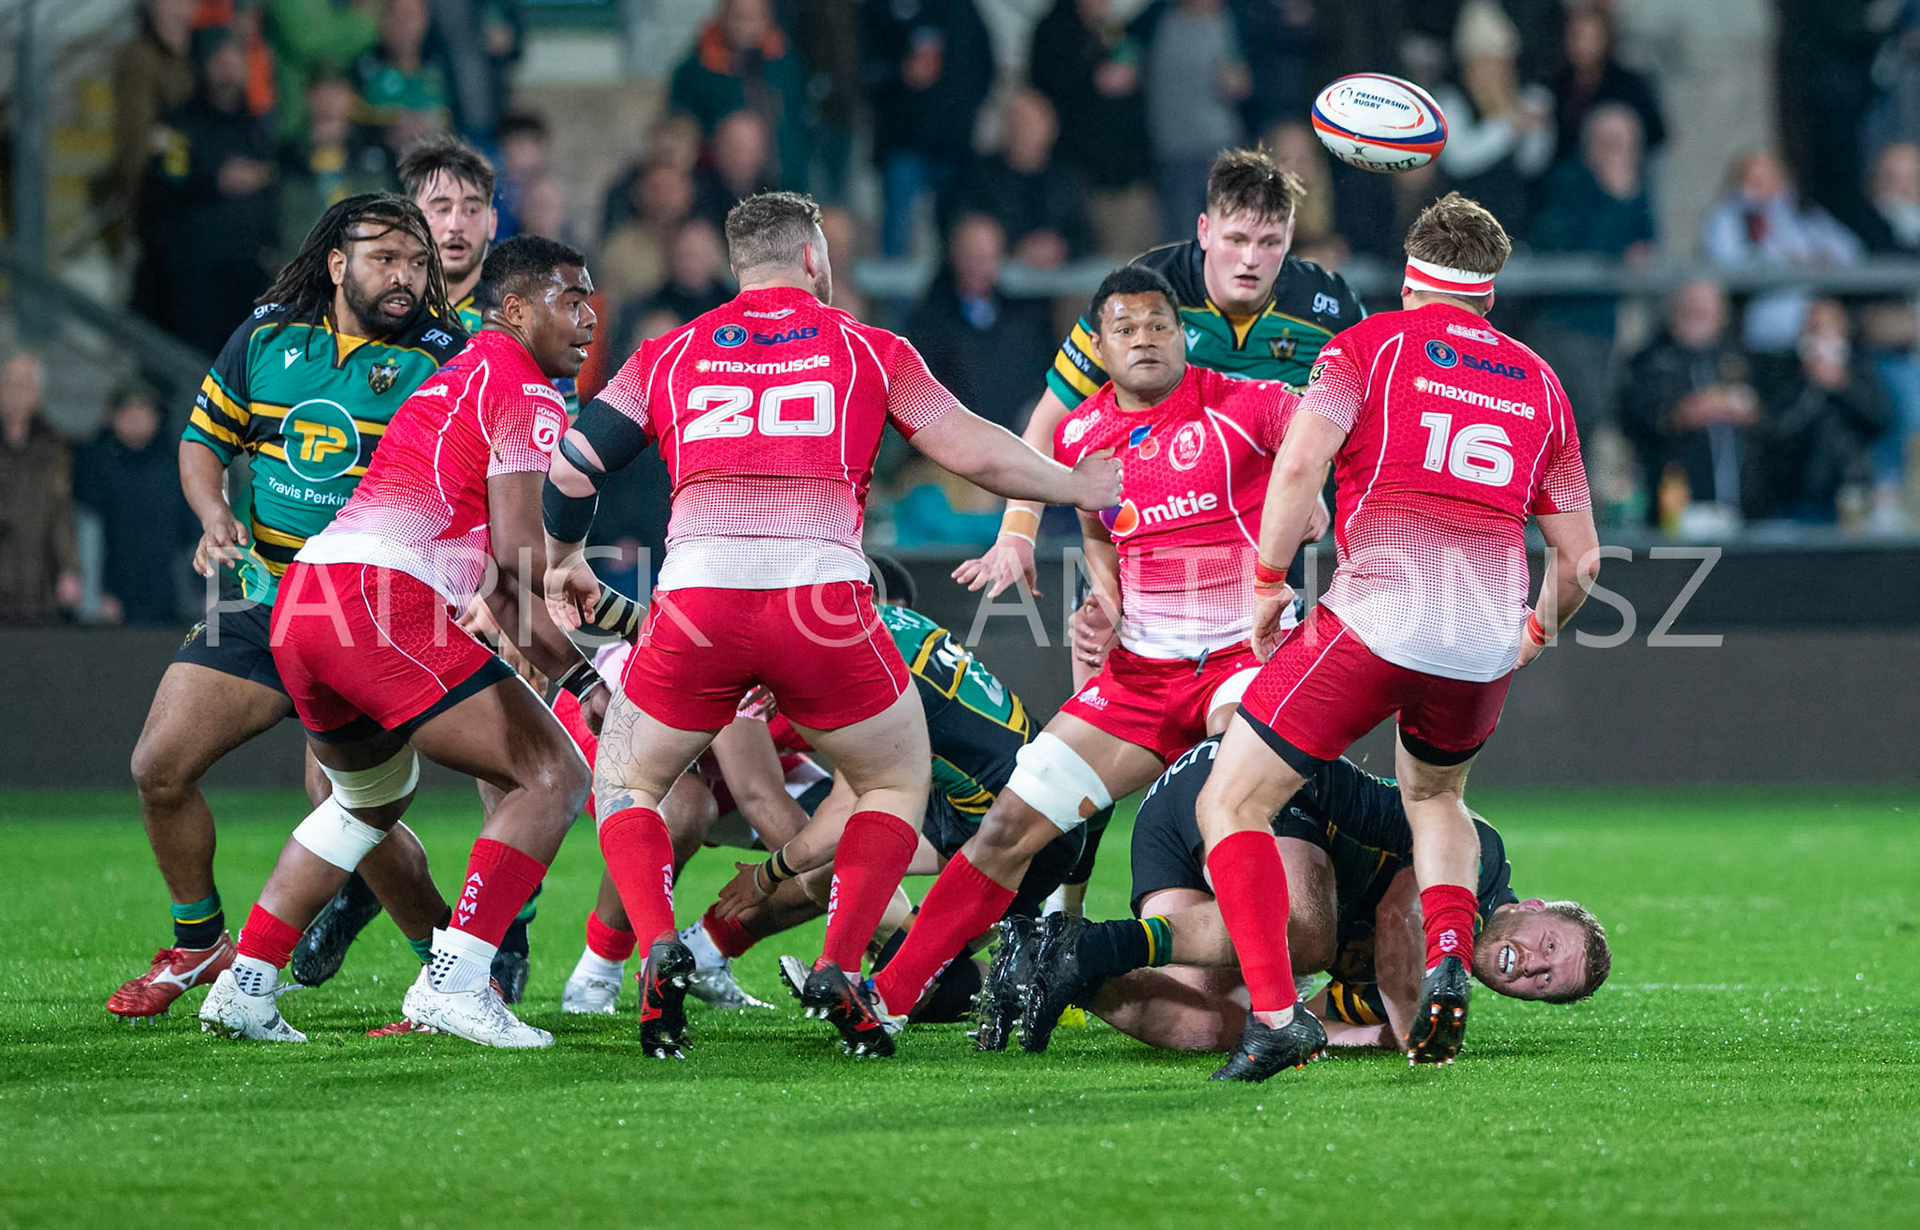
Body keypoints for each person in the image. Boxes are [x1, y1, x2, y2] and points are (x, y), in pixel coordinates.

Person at [540, 190, 1121, 1059]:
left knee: (628, 782)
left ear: (738, 265)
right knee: (892, 783)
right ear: (813, 257)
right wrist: (1074, 485)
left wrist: (564, 559)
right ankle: (843, 966)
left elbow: (572, 469)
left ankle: (658, 947)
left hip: (697, 600)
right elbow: (970, 447)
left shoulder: (667, 353)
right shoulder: (868, 347)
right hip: (820, 603)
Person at [1191, 192, 1600, 1081]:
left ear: (1412, 282)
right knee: (1437, 800)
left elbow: (1299, 463)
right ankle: (1450, 950)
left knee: (1231, 802)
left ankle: (1275, 1018)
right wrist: (1534, 629)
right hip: (1482, 637)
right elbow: (1582, 561)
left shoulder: (1368, 345)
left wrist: (1267, 582)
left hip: (1378, 617)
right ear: (1488, 296)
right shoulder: (1542, 382)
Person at [867, 264, 1317, 1042]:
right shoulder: (1080, 438)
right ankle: (887, 999)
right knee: (1007, 826)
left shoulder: (1250, 404)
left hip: (1242, 662)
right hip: (1140, 679)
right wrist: (1106, 599)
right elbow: (1099, 532)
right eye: (1125, 328)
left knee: (1238, 807)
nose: (1144, 339)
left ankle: (1283, 1007)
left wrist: (1313, 502)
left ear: (1184, 337)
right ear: (1098, 348)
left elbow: (1327, 437)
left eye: (1159, 325)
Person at [198, 235, 600, 1046]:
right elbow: (523, 555)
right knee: (553, 774)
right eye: (572, 300)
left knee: (366, 801)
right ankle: (455, 983)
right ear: (515, 310)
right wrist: (621, 630)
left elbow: (497, 581)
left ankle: (245, 987)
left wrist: (580, 677)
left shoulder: (452, 377)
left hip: (307, 600)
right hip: (376, 601)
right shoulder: (528, 389)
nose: (589, 319)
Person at [955, 148, 1360, 907]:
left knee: (1258, 765)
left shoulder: (1329, 307)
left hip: (1255, 566)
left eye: (1270, 242)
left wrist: (1325, 497)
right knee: (1092, 734)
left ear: (1290, 238)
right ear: (1204, 232)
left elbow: (1355, 432)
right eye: (1236, 240)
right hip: (1138, 551)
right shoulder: (1148, 295)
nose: (1251, 259)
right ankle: (1062, 912)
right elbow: (1048, 426)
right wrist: (1017, 531)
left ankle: (1256, 917)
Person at [106, 195, 466, 1022]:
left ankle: (448, 973)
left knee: (349, 808)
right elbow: (203, 442)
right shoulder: (268, 337)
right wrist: (214, 514)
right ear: (338, 264)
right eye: (386, 259)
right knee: (158, 767)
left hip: (367, 615)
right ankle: (200, 944)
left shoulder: (445, 359)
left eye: (417, 263)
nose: (406, 277)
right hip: (266, 596)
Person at [1000, 737, 1612, 1055]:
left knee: (1214, 1023)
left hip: (1169, 833)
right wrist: (1413, 1033)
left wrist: (1377, 1037)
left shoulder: (1409, 989)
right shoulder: (1479, 858)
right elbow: (1401, 916)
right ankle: (1099, 944)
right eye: (1549, 946)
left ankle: (1048, 963)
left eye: (1543, 981)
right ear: (1532, 907)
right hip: (1256, 785)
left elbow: (1316, 1022)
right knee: (1305, 936)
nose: (1532, 965)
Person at [691, 558, 1082, 1039]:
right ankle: (862, 965)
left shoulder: (864, 673)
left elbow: (842, 812)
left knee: (908, 985)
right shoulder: (885, 622)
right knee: (838, 871)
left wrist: (767, 876)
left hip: (1020, 832)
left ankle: (1056, 982)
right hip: (986, 803)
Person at [139, 25, 280, 356]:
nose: (228, 69)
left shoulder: (259, 129)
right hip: (193, 278)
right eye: (219, 60)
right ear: (203, 66)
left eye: (235, 60)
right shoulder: (180, 124)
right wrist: (214, 179)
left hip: (248, 275)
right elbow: (164, 184)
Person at [1617, 280, 1764, 525]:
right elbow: (1634, 418)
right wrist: (1683, 413)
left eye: (1707, 308)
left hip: (1746, 512)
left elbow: (1773, 419)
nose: (1699, 313)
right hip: (1673, 510)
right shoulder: (1651, 360)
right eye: (1691, 306)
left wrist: (1748, 409)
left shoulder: (1743, 357)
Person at [862, 0, 995, 256]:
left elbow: (983, 68)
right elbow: (864, 66)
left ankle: (948, 283)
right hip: (901, 141)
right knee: (898, 231)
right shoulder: (881, 8)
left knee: (955, 230)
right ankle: (894, 284)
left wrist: (962, 112)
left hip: (953, 143)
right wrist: (900, 72)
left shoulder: (962, 9)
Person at [905, 213, 1056, 433]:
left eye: (986, 258)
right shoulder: (929, 321)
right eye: (971, 257)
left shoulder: (1023, 319)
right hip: (952, 439)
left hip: (1016, 438)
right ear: (954, 255)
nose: (978, 267)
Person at [1703, 150, 1861, 355]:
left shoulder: (1801, 213)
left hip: (1811, 314)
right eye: (1754, 180)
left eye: (1770, 179)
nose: (1764, 188)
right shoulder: (1728, 218)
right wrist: (1785, 260)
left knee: (1831, 319)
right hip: (1757, 315)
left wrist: (1821, 256)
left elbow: (1850, 250)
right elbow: (1727, 262)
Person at [72, 383, 196, 626]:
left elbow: (189, 536)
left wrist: (193, 594)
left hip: (167, 598)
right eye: (128, 411)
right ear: (112, 416)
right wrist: (95, 595)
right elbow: (87, 535)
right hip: (112, 602)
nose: (137, 418)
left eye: (144, 411)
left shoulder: (173, 466)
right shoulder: (94, 465)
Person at [668, 0, 809, 193]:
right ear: (723, 16)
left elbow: (799, 121)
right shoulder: (695, 70)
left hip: (785, 180)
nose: (745, 26)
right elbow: (680, 129)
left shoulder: (786, 65)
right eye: (738, 17)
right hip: (715, 186)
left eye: (752, 18)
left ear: (767, 19)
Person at [1141, 0, 1251, 242]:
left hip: (1222, 151)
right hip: (1171, 152)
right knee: (1182, 242)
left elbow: (1252, 78)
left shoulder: (1236, 20)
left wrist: (1239, 82)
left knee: (1228, 238)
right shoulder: (1156, 16)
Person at [952, 88, 1094, 269]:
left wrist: (1061, 248)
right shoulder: (981, 174)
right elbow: (968, 230)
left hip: (1061, 276)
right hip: (999, 274)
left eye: (1032, 123)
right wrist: (1016, 249)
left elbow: (1086, 236)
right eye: (1017, 122)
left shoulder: (1068, 178)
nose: (1024, 130)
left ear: (1052, 128)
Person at [0, 354, 81, 625]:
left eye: (25, 384)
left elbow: (60, 511)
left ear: (38, 393)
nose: (16, 392)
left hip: (37, 569)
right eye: (9, 383)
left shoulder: (53, 447)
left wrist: (69, 569)